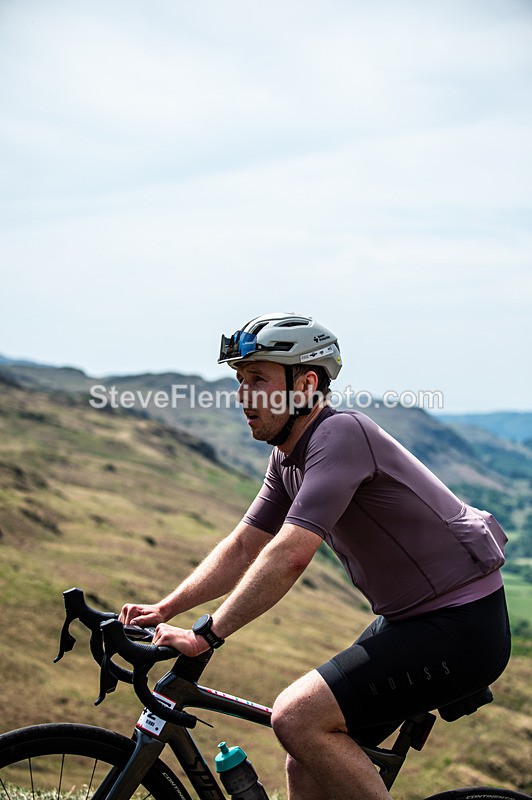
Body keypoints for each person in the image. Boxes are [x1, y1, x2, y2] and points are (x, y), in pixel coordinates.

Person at [120, 312, 511, 800]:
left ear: (305, 384)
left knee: (297, 718)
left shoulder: (340, 435)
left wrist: (207, 634)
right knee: (308, 760)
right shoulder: (288, 455)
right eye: (241, 380)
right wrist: (165, 609)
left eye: (258, 379)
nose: (243, 395)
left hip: (461, 627)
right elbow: (245, 544)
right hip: (412, 621)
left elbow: (289, 554)